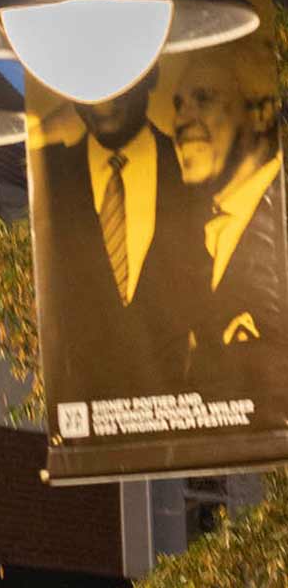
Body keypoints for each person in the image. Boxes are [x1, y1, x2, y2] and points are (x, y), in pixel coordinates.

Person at [31, 74, 201, 417]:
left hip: (188, 417)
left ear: (151, 74)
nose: (104, 97)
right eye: (90, 82)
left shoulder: (198, 177)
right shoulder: (48, 179)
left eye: (118, 78)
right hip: (89, 422)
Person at [161, 39, 285, 397]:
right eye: (179, 104)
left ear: (261, 113)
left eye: (204, 99)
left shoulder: (279, 221)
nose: (181, 120)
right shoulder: (188, 235)